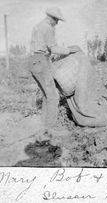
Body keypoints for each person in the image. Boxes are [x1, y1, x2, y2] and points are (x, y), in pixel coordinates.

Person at [29, 7, 80, 135]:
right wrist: (70, 50)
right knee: (53, 96)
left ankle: (44, 124)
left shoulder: (38, 26)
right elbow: (54, 48)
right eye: (56, 20)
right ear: (51, 18)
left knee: (47, 94)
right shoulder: (47, 28)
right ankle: (49, 129)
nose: (57, 23)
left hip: (34, 60)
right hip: (41, 61)